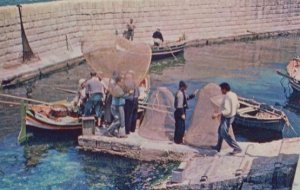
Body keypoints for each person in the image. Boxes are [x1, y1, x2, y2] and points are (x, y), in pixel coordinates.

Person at [212, 82, 242, 155]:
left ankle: (237, 148)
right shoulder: (234, 94)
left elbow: (227, 111)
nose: (221, 91)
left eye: (221, 89)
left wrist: (217, 114)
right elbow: (238, 105)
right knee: (220, 131)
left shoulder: (227, 96)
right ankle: (218, 147)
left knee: (223, 133)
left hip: (227, 117)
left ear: (224, 89)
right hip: (232, 116)